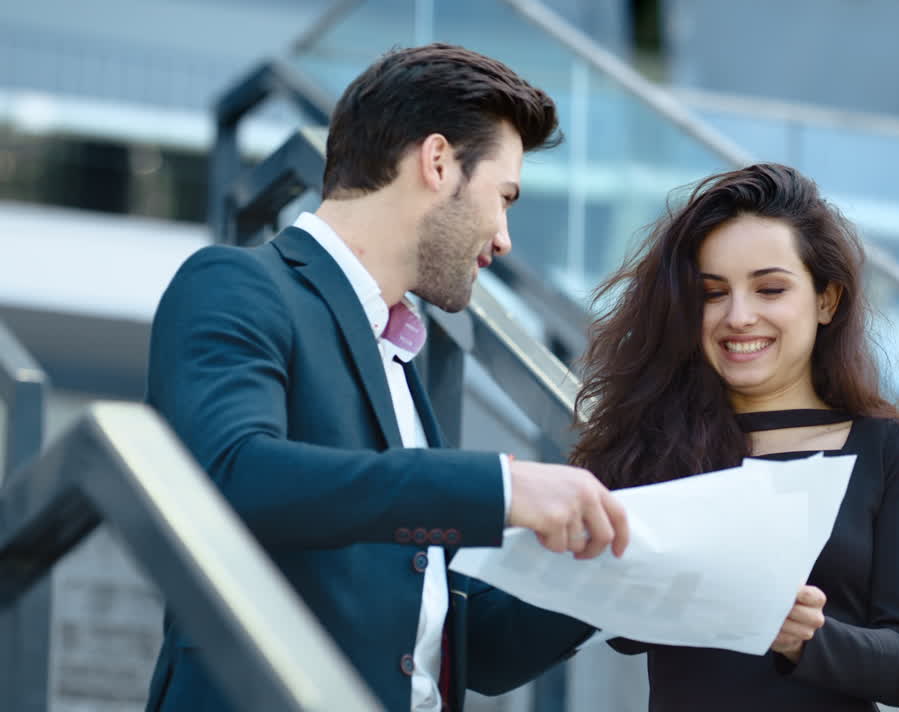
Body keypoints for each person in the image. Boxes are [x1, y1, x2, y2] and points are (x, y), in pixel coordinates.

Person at [144, 43, 629, 712]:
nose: (504, 237)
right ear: (436, 162)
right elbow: (228, 477)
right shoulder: (236, 285)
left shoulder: (398, 360)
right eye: (504, 197)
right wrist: (499, 486)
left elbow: (466, 647)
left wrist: (626, 587)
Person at [571, 163, 899, 711]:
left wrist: (802, 635)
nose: (739, 316)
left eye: (770, 288)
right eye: (712, 292)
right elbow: (624, 634)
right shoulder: (652, 443)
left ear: (827, 300)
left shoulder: (895, 453)